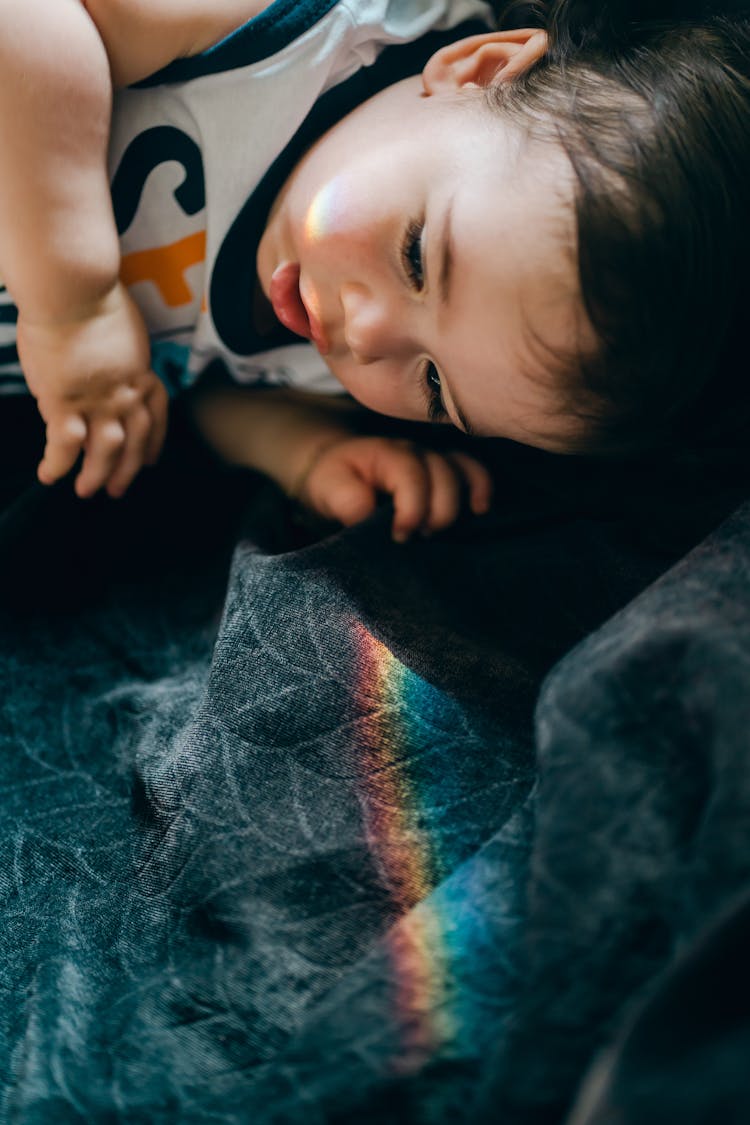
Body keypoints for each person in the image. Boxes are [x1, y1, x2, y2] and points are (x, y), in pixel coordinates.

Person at [0, 0, 748, 540]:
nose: (366, 333)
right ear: (478, 70)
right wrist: (74, 302)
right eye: (418, 256)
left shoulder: (327, 363)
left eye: (434, 385)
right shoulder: (292, 39)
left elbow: (199, 387)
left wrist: (305, 452)